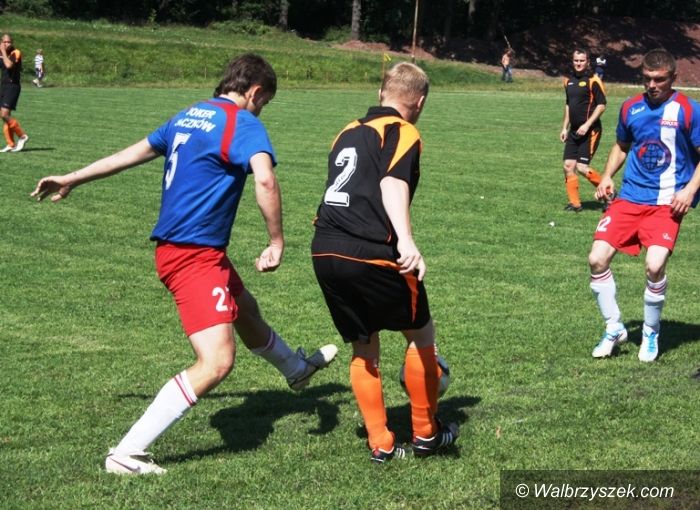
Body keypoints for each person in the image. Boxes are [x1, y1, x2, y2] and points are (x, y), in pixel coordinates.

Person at [31, 53, 338, 475]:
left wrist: (72, 177)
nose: (261, 110)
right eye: (264, 103)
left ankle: (296, 369)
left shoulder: (189, 115)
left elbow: (134, 153)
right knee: (217, 362)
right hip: (192, 255)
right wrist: (276, 241)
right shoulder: (242, 123)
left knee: (246, 311)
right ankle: (127, 453)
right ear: (255, 92)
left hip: (193, 251)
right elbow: (265, 178)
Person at [311, 62, 459, 463]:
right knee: (422, 335)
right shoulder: (403, 131)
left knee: (364, 346)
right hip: (371, 250)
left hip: (325, 249)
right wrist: (406, 240)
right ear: (420, 102)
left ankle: (381, 443)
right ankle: (427, 433)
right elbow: (392, 182)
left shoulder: (346, 130)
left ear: (381, 93)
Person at [588, 49, 700, 362]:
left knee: (654, 265)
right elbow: (622, 146)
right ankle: (614, 328)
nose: (652, 85)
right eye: (647, 79)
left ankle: (650, 331)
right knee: (596, 259)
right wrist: (607, 176)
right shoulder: (630, 107)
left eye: (659, 79)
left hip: (667, 203)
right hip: (629, 198)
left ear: (673, 78)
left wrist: (689, 190)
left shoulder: (689, 110)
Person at [560, 48, 607, 212]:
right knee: (568, 165)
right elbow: (568, 104)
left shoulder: (593, 80)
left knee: (581, 167)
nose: (578, 63)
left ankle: (609, 193)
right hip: (573, 131)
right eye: (576, 60)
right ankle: (575, 203)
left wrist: (587, 125)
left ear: (587, 62)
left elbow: (601, 105)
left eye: (582, 60)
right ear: (572, 61)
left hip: (590, 131)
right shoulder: (568, 81)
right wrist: (564, 128)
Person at [0, 34, 29, 152]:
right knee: (4, 116)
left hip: (12, 86)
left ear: (12, 43)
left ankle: (22, 136)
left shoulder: (15, 52)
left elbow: (9, 65)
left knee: (4, 114)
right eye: (4, 42)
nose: (7, 44)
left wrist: (2, 51)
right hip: (3, 86)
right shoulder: (2, 54)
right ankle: (11, 144)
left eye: (9, 42)